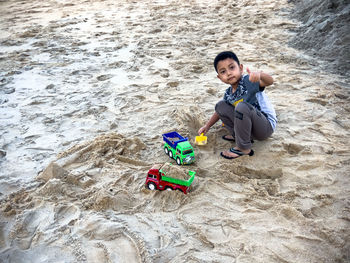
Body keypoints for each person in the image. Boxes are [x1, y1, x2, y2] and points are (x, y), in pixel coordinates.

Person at [198, 51, 277, 159]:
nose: (229, 73)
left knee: (241, 107)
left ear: (240, 68)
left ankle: (244, 148)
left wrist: (260, 75)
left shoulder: (247, 81)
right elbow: (218, 112)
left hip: (265, 127)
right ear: (219, 77)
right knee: (221, 105)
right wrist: (207, 126)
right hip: (250, 128)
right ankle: (239, 136)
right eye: (223, 71)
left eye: (231, 67)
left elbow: (270, 81)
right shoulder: (228, 93)